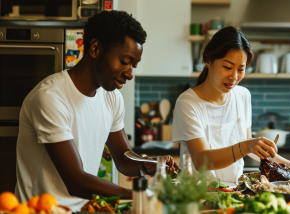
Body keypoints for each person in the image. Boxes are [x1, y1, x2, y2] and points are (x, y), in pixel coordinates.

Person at [15, 11, 178, 211]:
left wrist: (148, 164)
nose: (129, 74)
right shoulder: (50, 97)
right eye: (125, 62)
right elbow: (76, 181)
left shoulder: (111, 98)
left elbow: (123, 159)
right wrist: (139, 197)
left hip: (85, 209)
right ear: (95, 48)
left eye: (133, 66)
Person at [172, 26, 290, 183]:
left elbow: (250, 145)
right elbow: (201, 160)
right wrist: (246, 146)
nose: (234, 77)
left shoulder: (242, 95)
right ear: (208, 60)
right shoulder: (188, 103)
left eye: (241, 69)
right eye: (227, 67)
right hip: (196, 196)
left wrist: (289, 164)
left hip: (234, 193)